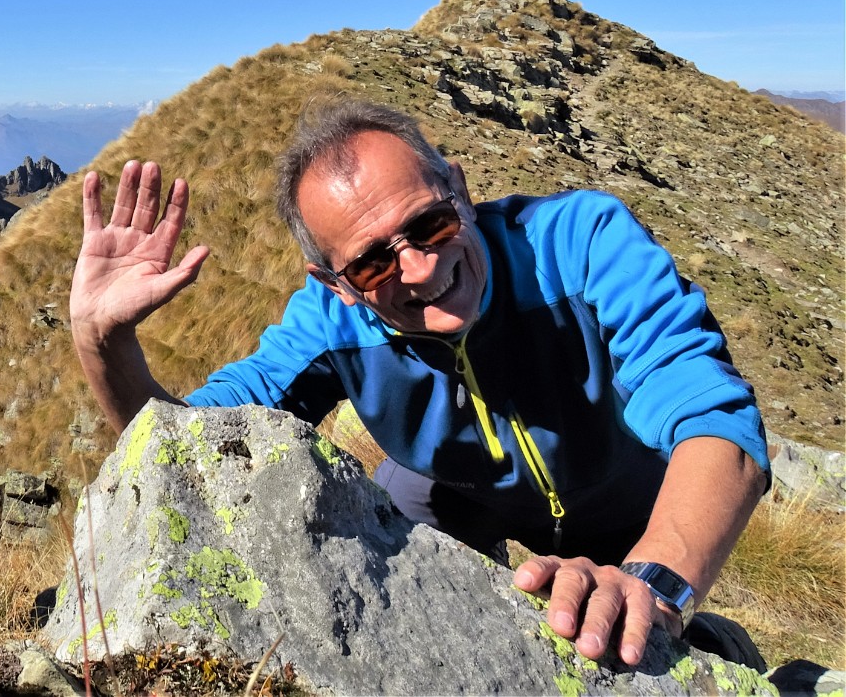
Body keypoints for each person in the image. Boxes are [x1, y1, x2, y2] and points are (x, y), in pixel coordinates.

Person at [70, 96, 769, 670]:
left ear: (460, 190)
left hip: (627, 501)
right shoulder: (327, 324)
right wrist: (103, 342)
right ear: (335, 284)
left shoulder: (581, 244)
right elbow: (190, 445)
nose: (419, 268)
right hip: (457, 493)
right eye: (373, 264)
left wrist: (655, 581)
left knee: (639, 644)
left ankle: (719, 640)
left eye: (430, 225)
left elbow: (714, 416)